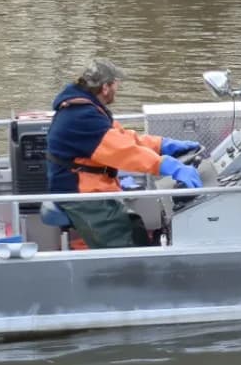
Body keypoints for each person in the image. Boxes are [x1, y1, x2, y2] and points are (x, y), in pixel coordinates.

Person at [46, 58, 203, 248]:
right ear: (105, 87)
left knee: (136, 228)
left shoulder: (87, 109)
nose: (117, 88)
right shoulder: (83, 117)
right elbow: (125, 152)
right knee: (127, 244)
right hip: (80, 196)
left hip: (92, 189)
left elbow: (124, 139)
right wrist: (169, 166)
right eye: (116, 84)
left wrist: (162, 145)